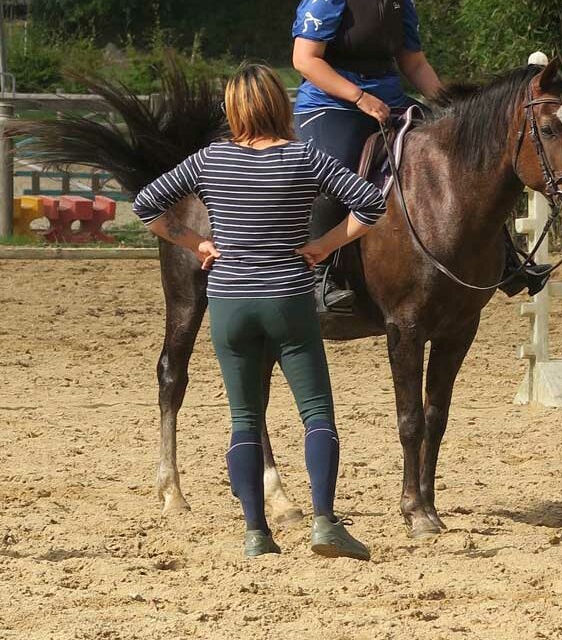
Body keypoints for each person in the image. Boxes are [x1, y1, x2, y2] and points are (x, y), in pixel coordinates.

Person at [132, 62, 385, 560]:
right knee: (316, 415)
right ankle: (324, 524)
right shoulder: (305, 158)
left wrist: (197, 243)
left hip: (230, 303)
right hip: (289, 298)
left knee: (244, 420)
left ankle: (256, 533)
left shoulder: (210, 160)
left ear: (233, 110)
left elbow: (146, 204)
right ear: (279, 105)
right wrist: (325, 244)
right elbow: (371, 203)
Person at [291, 0, 552, 308]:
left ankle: (507, 260)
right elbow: (304, 60)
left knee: (466, 155)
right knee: (333, 170)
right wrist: (359, 98)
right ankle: (322, 277)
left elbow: (412, 60)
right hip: (330, 104)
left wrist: (451, 108)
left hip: (389, 99)